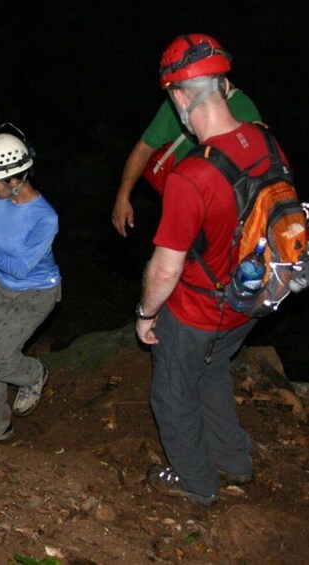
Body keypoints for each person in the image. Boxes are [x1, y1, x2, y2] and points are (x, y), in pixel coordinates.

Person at [135, 34, 288, 506]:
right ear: (223, 86)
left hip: (201, 311)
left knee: (172, 393)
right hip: (253, 300)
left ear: (180, 97)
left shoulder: (192, 176)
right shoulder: (265, 138)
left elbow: (165, 270)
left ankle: (198, 484)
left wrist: (145, 313)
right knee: (214, 371)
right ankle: (235, 462)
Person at [0, 126, 62, 446]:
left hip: (35, 292)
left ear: (15, 181)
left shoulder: (45, 218)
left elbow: (20, 268)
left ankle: (34, 375)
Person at [111, 34, 261, 238]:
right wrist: (123, 196)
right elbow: (144, 147)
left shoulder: (245, 112)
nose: (177, 98)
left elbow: (257, 176)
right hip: (184, 206)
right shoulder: (174, 107)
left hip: (228, 221)